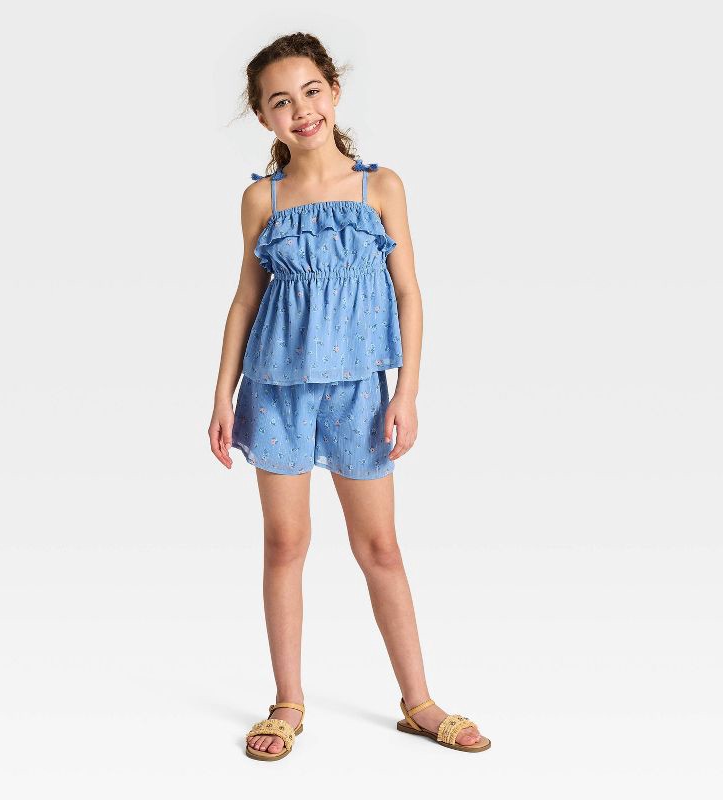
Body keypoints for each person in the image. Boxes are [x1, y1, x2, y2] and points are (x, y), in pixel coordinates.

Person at [208, 32, 491, 761]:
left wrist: (408, 393)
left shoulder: (380, 187)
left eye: (311, 91)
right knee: (285, 543)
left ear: (333, 91)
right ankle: (287, 701)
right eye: (280, 101)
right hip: (276, 391)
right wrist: (222, 395)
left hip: (360, 392)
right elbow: (245, 301)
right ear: (263, 117)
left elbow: (409, 293)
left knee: (381, 548)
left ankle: (419, 701)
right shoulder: (262, 198)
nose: (300, 110)